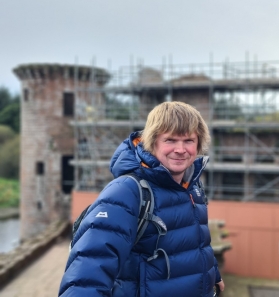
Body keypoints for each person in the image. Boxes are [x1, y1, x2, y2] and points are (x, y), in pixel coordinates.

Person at [59, 101, 224, 297]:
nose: (180, 149)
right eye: (170, 140)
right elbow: (87, 272)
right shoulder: (126, 192)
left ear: (198, 144)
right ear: (152, 142)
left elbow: (193, 241)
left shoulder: (191, 185)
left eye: (188, 140)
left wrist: (212, 272)